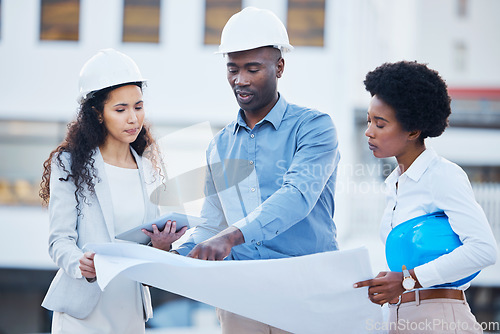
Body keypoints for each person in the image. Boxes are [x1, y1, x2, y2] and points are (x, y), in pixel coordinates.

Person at [172, 7, 340, 333]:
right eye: (232, 69)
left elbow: (296, 197)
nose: (241, 80)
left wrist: (231, 237)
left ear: (279, 67)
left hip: (307, 292)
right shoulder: (219, 145)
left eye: (253, 69)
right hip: (242, 297)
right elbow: (212, 225)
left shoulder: (314, 128)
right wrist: (172, 252)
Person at [40, 48, 186, 333]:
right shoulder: (70, 163)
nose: (133, 118)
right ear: (97, 113)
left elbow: (147, 246)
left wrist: (161, 247)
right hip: (81, 314)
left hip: (129, 310)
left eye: (138, 106)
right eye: (121, 110)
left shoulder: (149, 168)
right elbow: (59, 241)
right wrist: (79, 262)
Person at [354, 61, 497, 333]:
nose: (368, 132)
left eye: (380, 124)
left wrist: (409, 280)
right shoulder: (394, 183)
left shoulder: (442, 175)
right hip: (401, 318)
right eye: (369, 120)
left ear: (413, 131)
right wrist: (390, 282)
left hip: (440, 319)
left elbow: (484, 250)